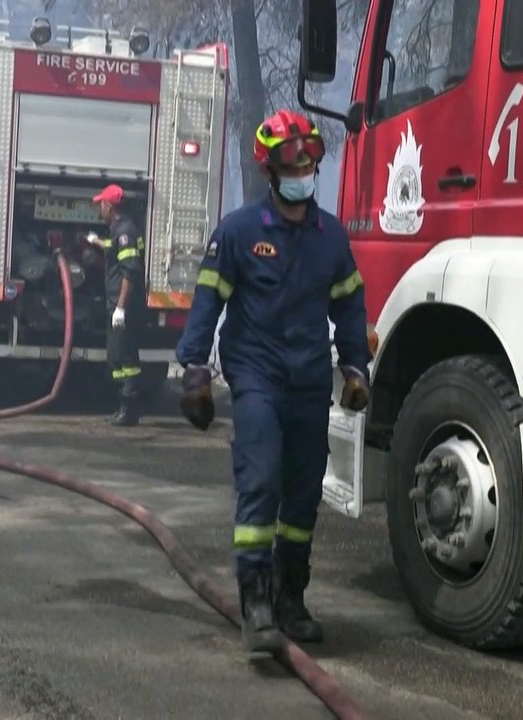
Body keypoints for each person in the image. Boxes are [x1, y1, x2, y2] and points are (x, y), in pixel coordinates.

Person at [174, 109, 372, 654]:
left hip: (309, 378)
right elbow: (208, 299)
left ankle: (291, 599)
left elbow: (349, 304)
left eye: (309, 161)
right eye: (292, 163)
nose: (303, 170)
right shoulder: (239, 232)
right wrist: (195, 368)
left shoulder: (330, 238)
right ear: (269, 169)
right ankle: (256, 602)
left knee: (304, 493)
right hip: (256, 374)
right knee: (261, 479)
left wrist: (355, 366)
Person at [88, 183, 148, 426]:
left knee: (126, 357)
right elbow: (113, 248)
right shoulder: (119, 231)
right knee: (116, 356)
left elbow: (130, 271)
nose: (99, 210)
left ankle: (129, 410)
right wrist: (94, 241)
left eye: (100, 205)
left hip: (125, 306)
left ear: (108, 206)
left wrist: (121, 307)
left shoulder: (126, 232)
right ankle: (122, 407)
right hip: (116, 304)